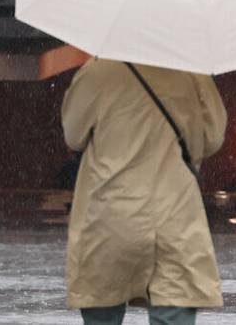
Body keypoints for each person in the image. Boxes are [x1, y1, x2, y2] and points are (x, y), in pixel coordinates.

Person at [61, 58, 227, 325]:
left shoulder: (96, 71)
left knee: (102, 305)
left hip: (109, 208)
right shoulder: (192, 72)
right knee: (174, 304)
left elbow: (74, 134)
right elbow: (212, 138)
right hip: (174, 210)